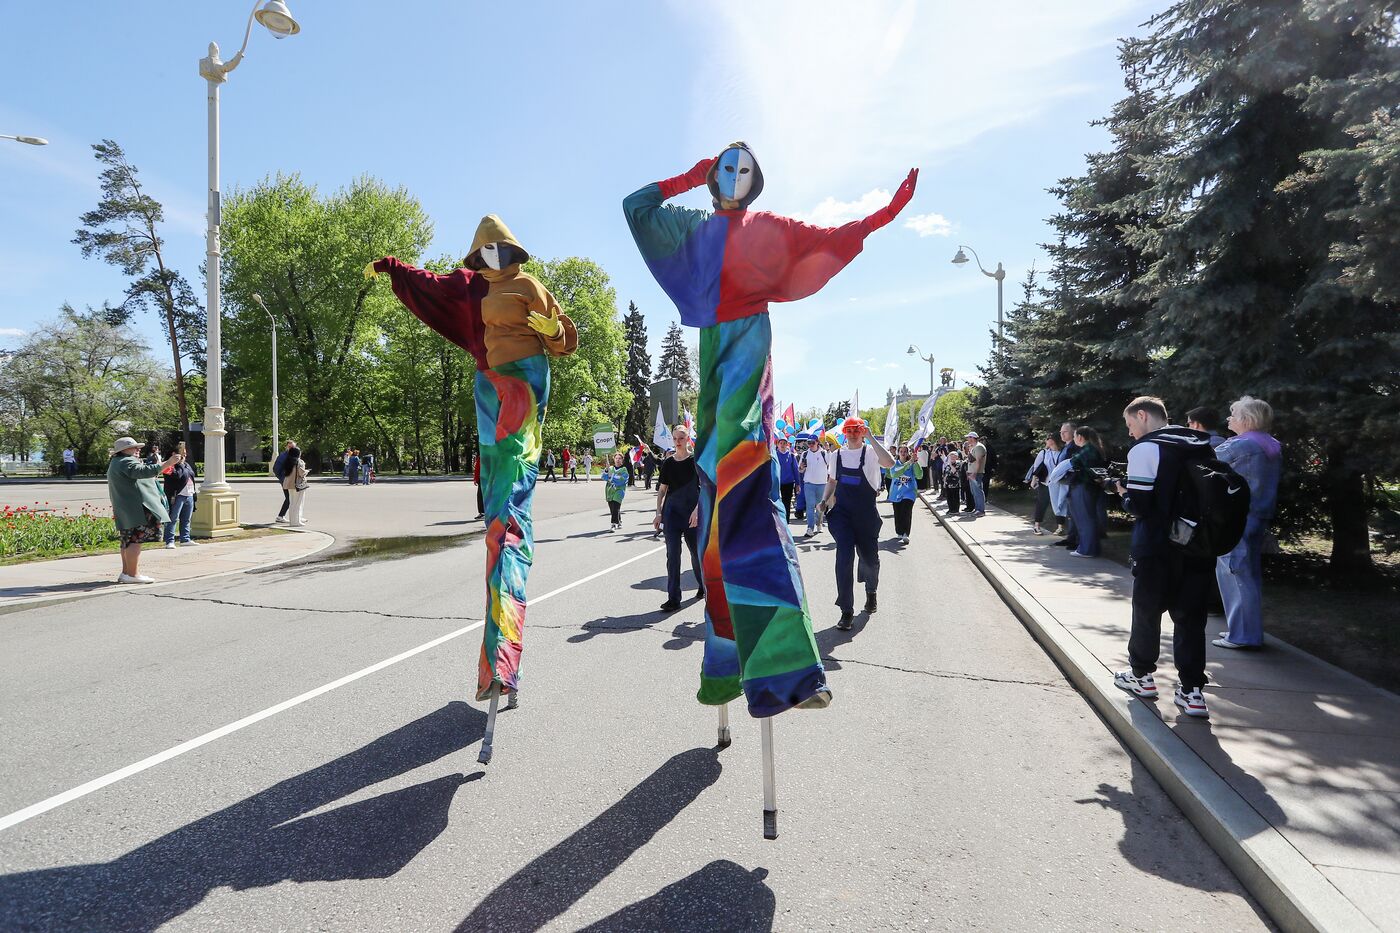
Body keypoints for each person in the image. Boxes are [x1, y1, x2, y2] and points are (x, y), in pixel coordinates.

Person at [625, 142, 916, 714]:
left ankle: (789, 673)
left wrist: (880, 217)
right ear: (715, 176)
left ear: (757, 181)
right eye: (727, 168)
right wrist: (685, 178)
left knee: (750, 494)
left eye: (745, 170)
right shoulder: (696, 227)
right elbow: (636, 208)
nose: (735, 177)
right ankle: (724, 666)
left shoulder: (767, 225)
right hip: (711, 348)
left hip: (749, 344)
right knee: (716, 511)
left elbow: (827, 238)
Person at [369, 212, 580, 710]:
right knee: (496, 517)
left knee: (509, 517)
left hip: (525, 382)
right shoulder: (470, 288)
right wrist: (394, 267)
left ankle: (503, 657)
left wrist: (551, 329)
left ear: (512, 250)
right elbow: (431, 284)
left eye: (498, 251)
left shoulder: (529, 284)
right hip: (487, 384)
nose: (491, 260)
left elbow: (565, 341)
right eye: (482, 253)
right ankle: (497, 663)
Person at [1111, 396, 1216, 718]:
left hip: (1157, 546)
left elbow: (1142, 506)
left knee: (1147, 612)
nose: (1130, 433)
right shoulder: (1199, 444)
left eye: (1130, 425)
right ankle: (1192, 691)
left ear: (1142, 416)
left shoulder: (1145, 449)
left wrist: (1123, 493)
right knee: (1191, 620)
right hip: (1198, 545)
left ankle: (1141, 676)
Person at [1214, 396, 1281, 650]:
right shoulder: (1269, 443)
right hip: (1258, 515)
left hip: (1238, 517)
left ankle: (1242, 635)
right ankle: (1245, 630)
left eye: (1233, 414)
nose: (1229, 418)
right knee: (1248, 573)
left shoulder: (1243, 445)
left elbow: (1207, 458)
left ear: (1247, 419)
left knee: (1235, 571)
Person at [822, 419, 895, 630]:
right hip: (843, 516)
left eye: (857, 430)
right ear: (844, 433)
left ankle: (871, 591)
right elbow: (832, 481)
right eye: (850, 430)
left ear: (861, 432)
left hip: (866, 516)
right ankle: (846, 611)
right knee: (843, 559)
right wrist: (825, 499)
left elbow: (889, 463)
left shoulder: (871, 452)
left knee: (870, 560)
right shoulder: (836, 455)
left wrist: (870, 436)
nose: (853, 434)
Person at [107, 436, 182, 584]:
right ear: (124, 450)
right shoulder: (126, 461)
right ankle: (133, 575)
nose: (138, 449)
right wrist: (168, 463)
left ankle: (126, 573)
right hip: (137, 508)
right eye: (134, 447)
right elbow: (142, 472)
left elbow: (140, 473)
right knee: (135, 541)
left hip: (127, 509)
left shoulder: (116, 462)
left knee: (126, 541)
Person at [655, 425, 703, 610]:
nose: (677, 441)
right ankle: (673, 598)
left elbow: (705, 488)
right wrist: (659, 513)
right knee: (672, 556)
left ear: (688, 438)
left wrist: (697, 510)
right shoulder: (668, 463)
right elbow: (662, 491)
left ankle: (702, 585)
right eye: (675, 438)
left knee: (696, 554)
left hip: (692, 515)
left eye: (681, 438)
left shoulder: (695, 461)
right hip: (672, 515)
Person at [1049, 427, 1107, 557]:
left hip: (1083, 487)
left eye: (1075, 436)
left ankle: (1087, 550)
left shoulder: (1086, 451)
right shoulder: (1094, 449)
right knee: (1087, 518)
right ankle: (1089, 548)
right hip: (1088, 487)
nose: (1074, 439)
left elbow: (1074, 464)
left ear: (1080, 437)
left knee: (1084, 518)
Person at [1025, 433, 1064, 535]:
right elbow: (1036, 468)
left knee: (1059, 504)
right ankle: (1037, 526)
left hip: (1058, 483)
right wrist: (1034, 480)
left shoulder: (1062, 452)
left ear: (1054, 440)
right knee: (1042, 503)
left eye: (1049, 438)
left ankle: (1060, 527)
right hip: (1045, 483)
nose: (1047, 441)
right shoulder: (1044, 453)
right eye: (1046, 439)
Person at [162, 441, 198, 548]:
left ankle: (185, 539)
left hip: (189, 494)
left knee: (186, 518)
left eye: (185, 453)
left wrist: (194, 494)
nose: (185, 455)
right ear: (174, 454)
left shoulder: (186, 465)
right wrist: (180, 464)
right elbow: (178, 476)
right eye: (183, 453)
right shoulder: (169, 466)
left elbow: (191, 476)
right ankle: (169, 541)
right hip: (176, 495)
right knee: (173, 518)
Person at [887, 443, 922, 545]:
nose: (903, 453)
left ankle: (906, 533)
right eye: (901, 451)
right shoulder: (894, 463)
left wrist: (914, 463)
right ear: (898, 452)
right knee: (898, 513)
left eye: (905, 451)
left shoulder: (912, 463)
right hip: (896, 493)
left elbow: (919, 476)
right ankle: (900, 531)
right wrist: (908, 464)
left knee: (907, 511)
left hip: (909, 492)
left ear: (908, 453)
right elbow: (895, 473)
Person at [799, 435, 830, 538]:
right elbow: (800, 470)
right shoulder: (804, 454)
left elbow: (830, 463)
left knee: (820, 506)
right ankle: (810, 528)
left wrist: (828, 449)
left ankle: (819, 523)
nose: (811, 445)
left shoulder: (824, 453)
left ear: (817, 442)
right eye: (809, 443)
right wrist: (801, 467)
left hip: (822, 484)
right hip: (809, 484)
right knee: (810, 506)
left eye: (812, 442)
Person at [280, 443, 309, 526]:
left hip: (289, 484)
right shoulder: (299, 462)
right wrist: (306, 472)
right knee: (298, 504)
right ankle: (297, 521)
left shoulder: (287, 461)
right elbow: (301, 473)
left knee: (292, 503)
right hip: (298, 485)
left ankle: (293, 521)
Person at [774, 436, 798, 524]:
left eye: (784, 443)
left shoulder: (791, 455)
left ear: (787, 444)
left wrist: (798, 483)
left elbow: (795, 470)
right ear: (778, 444)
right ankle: (778, 520)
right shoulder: (774, 455)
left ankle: (786, 521)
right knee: (777, 502)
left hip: (789, 483)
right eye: (781, 443)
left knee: (786, 502)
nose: (783, 445)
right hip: (777, 482)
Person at [272, 440, 296, 523]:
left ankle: (296, 516)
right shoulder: (283, 456)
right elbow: (275, 469)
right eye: (290, 447)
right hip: (286, 481)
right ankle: (280, 516)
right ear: (287, 447)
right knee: (289, 498)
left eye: (293, 447)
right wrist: (283, 479)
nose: (292, 448)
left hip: (292, 481)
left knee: (293, 498)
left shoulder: (293, 456)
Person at [964, 432, 987, 516]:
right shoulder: (974, 447)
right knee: (974, 491)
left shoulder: (979, 447)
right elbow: (971, 461)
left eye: (968, 438)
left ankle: (981, 510)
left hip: (976, 473)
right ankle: (977, 508)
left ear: (972, 438)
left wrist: (974, 473)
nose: (967, 439)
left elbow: (978, 461)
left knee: (978, 492)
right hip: (972, 472)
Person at [602, 452, 628, 529]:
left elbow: (622, 479)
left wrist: (612, 477)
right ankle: (619, 520)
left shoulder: (624, 470)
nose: (618, 460)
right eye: (616, 458)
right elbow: (604, 477)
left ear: (622, 460)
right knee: (613, 508)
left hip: (619, 491)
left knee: (616, 506)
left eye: (619, 458)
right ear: (614, 459)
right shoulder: (610, 468)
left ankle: (613, 524)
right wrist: (606, 470)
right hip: (610, 491)